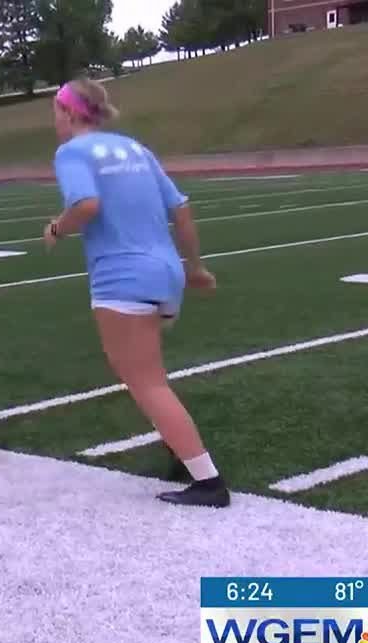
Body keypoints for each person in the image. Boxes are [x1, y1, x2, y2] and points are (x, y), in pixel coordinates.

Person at [44, 78, 228, 508]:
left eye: (55, 110)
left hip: (123, 277)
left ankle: (208, 481)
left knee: (146, 384)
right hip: (165, 274)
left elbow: (87, 205)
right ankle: (180, 454)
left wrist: (55, 228)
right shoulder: (135, 149)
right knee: (152, 374)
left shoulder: (71, 152)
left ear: (71, 113)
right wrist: (195, 267)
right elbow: (180, 208)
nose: (53, 119)